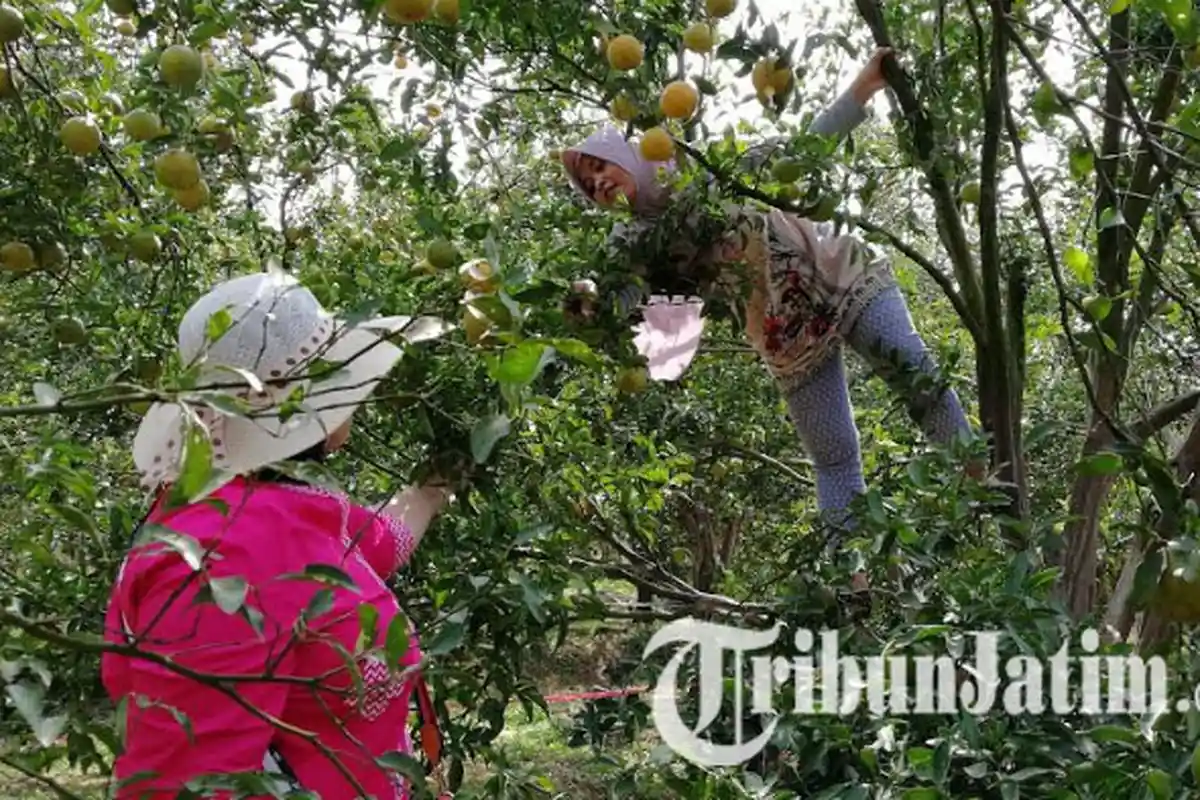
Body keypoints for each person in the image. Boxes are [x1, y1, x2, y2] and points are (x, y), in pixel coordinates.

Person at [560, 47, 977, 550]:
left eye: (599, 166)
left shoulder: (704, 168)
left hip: (839, 273)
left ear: (624, 152)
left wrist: (864, 87)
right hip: (785, 331)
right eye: (588, 185)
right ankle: (851, 581)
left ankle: (992, 496)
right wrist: (590, 303)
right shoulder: (630, 244)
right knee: (834, 458)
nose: (597, 183)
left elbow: (799, 153)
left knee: (918, 379)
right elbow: (618, 298)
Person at [101, 270, 454, 799]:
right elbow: (186, 785)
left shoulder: (292, 509)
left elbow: (380, 541)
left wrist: (434, 489)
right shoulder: (218, 561)